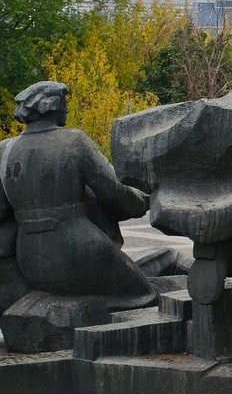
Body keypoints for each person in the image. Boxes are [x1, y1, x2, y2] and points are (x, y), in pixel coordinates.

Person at [0, 81, 153, 309]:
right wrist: (143, 201)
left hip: (29, 256)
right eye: (64, 103)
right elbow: (113, 193)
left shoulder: (4, 149)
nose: (67, 110)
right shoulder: (74, 141)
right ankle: (73, 312)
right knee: (143, 294)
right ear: (51, 106)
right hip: (79, 249)